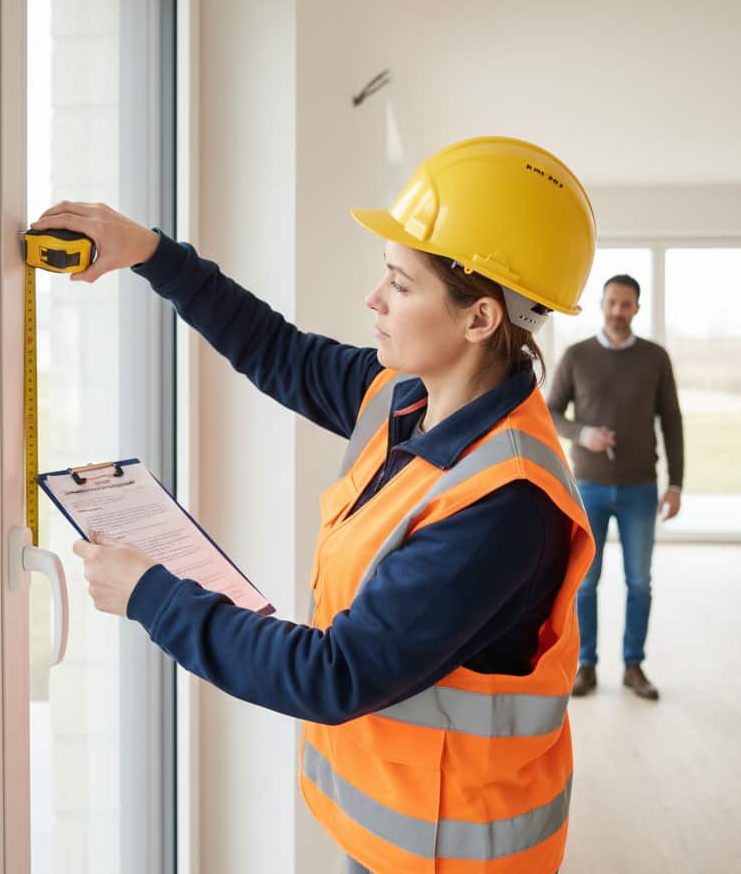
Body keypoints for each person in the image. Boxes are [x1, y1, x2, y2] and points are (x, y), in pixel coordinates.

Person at [34, 137, 597, 874]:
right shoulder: (404, 395)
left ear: (479, 319)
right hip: (397, 828)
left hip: (456, 856)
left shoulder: (506, 505)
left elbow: (334, 673)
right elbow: (280, 352)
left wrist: (152, 595)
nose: (374, 298)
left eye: (400, 282)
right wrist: (148, 252)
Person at [547, 274, 684, 701]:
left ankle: (633, 666)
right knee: (585, 583)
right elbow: (550, 412)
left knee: (639, 582)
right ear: (601, 304)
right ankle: (585, 665)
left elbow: (672, 421)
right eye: (611, 303)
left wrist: (676, 483)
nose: (617, 311)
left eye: (626, 305)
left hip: (641, 488)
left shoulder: (655, 358)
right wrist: (580, 433)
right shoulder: (576, 356)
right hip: (587, 486)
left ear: (637, 309)